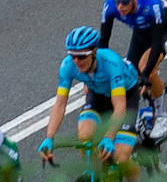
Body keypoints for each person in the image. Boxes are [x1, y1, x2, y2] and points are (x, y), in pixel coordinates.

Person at [38, 27, 142, 174]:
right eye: (72, 55)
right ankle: (93, 172)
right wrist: (49, 137)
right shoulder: (68, 66)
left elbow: (119, 107)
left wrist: (108, 136)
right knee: (85, 137)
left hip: (126, 95)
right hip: (98, 94)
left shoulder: (111, 64)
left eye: (81, 56)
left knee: (120, 157)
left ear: (94, 52)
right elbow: (60, 104)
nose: (76, 61)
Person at [99, 0, 167, 138]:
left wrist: (146, 74)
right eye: (116, 1)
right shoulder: (110, 7)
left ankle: (163, 116)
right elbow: (103, 42)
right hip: (140, 35)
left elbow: (156, 44)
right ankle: (140, 112)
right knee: (127, 72)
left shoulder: (152, 5)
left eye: (125, 1)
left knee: (146, 69)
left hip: (162, 33)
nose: (120, 6)